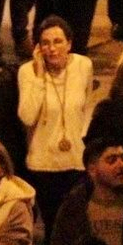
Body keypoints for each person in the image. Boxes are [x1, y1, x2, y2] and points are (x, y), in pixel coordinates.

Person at [17, 16, 94, 230]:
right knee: (55, 227)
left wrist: (82, 138)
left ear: (69, 44)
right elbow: (27, 116)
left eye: (58, 41)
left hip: (76, 161)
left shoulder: (84, 65)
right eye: (46, 43)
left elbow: (86, 106)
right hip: (44, 165)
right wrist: (40, 76)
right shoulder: (27, 72)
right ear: (38, 48)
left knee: (77, 225)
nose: (52, 49)